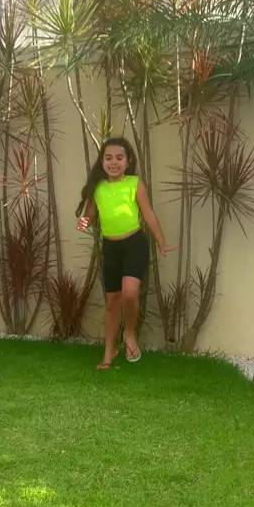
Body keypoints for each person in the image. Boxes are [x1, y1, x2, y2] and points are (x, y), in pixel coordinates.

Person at [77, 137, 176, 370]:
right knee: (112, 302)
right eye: (108, 158)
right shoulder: (98, 188)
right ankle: (108, 353)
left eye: (119, 158)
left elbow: (148, 214)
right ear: (102, 162)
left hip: (134, 245)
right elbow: (90, 214)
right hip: (110, 248)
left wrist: (161, 242)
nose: (114, 162)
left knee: (130, 293)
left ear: (128, 161)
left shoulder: (134, 184)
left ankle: (130, 334)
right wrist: (84, 221)